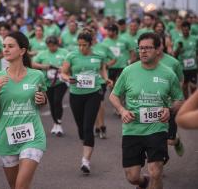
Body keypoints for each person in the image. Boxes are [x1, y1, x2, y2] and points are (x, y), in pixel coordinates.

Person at [109, 32, 184, 189]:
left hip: (157, 128)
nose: (143, 51)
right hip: (132, 129)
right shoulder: (128, 71)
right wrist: (122, 111)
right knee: (132, 176)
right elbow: (114, 96)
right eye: (140, 48)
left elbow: (179, 99)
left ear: (158, 49)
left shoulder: (168, 74)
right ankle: (143, 183)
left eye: (147, 48)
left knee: (155, 172)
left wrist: (169, 110)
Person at [0, 31, 47, 189]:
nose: (5, 49)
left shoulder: (37, 75)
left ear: (22, 51)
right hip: (7, 139)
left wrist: (43, 100)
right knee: (15, 186)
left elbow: (43, 100)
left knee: (20, 185)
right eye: (4, 46)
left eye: (10, 46)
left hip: (33, 136)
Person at [61, 32, 112, 174]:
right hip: (76, 94)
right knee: (81, 128)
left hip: (93, 93)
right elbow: (63, 72)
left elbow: (102, 69)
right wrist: (67, 78)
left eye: (84, 45)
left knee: (88, 127)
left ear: (91, 44)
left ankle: (86, 161)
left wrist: (106, 78)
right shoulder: (71, 56)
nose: (81, 48)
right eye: (79, 45)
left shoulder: (98, 56)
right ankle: (85, 141)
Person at [33, 35, 68, 136]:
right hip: (47, 82)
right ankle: (55, 124)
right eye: (49, 46)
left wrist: (62, 68)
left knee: (57, 101)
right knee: (52, 103)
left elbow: (69, 63)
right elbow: (33, 64)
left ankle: (59, 123)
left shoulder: (64, 52)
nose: (52, 47)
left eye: (53, 45)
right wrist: (44, 66)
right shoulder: (42, 54)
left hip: (60, 82)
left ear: (57, 44)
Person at [173, 21, 198, 99]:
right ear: (181, 30)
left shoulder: (195, 39)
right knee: (184, 86)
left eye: (186, 30)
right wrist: (179, 48)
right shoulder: (178, 41)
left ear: (189, 30)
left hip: (193, 66)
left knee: (193, 86)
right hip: (182, 67)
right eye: (183, 30)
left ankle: (194, 101)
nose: (185, 32)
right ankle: (187, 100)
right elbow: (175, 54)